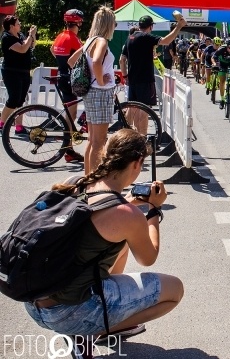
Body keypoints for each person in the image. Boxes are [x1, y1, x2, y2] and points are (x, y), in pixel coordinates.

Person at [24, 129, 183, 345]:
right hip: (70, 313)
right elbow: (148, 257)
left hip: (34, 302)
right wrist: (154, 210)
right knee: (175, 290)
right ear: (136, 164)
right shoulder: (126, 215)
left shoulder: (75, 182)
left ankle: (98, 314)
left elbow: (99, 215)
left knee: (120, 243)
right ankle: (100, 330)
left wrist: (125, 202)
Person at [120, 15, 186, 132]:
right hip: (145, 79)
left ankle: (128, 136)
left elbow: (122, 60)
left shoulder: (130, 38)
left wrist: (125, 76)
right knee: (144, 110)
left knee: (133, 108)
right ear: (151, 26)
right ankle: (142, 139)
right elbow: (166, 41)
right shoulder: (146, 37)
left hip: (132, 80)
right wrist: (178, 27)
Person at [77, 6, 117, 176]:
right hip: (100, 93)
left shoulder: (89, 41)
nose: (115, 26)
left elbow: (72, 61)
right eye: (114, 23)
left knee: (93, 141)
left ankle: (87, 179)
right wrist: (101, 80)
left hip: (91, 93)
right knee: (99, 142)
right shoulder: (101, 41)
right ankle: (94, 183)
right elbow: (96, 61)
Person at [51, 9, 86, 163]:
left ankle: (69, 147)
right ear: (77, 22)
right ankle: (68, 149)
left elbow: (53, 50)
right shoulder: (74, 39)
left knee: (70, 115)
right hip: (70, 79)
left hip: (62, 76)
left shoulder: (60, 36)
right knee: (71, 116)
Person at [0, 15, 36, 134]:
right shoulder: (7, 37)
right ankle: (2, 122)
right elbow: (22, 49)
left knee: (21, 100)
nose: (20, 25)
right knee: (13, 98)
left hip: (24, 72)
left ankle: (19, 126)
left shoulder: (20, 36)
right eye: (18, 24)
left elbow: (31, 46)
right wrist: (30, 36)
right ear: (12, 26)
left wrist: (32, 36)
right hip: (11, 72)